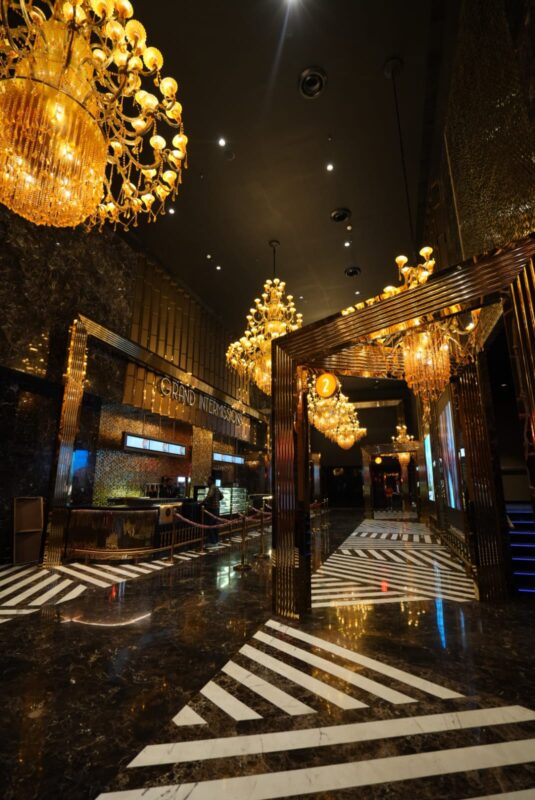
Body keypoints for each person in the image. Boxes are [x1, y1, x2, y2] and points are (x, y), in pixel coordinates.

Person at [202, 475, 223, 544]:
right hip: (217, 508)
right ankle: (216, 540)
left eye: (208, 480)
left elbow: (209, 496)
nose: (207, 482)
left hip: (212, 509)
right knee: (215, 525)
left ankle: (212, 541)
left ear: (211, 481)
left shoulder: (212, 487)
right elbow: (222, 496)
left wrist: (202, 502)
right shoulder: (216, 487)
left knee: (210, 525)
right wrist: (216, 501)